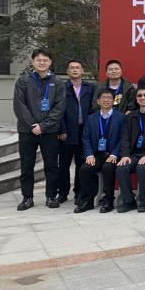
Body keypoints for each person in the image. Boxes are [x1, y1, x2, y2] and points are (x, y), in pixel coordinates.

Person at [14, 48, 66, 211]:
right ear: (33, 62)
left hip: (49, 131)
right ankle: (27, 198)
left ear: (50, 62)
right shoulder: (23, 81)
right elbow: (19, 106)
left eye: (45, 60)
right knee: (26, 166)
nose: (42, 63)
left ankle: (51, 196)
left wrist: (43, 126)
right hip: (27, 131)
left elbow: (59, 107)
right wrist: (33, 126)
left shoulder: (58, 82)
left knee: (51, 165)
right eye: (38, 60)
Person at [74, 89, 124, 213]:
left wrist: (115, 154)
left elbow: (123, 138)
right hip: (96, 155)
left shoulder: (121, 117)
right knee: (84, 169)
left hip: (113, 155)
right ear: (98, 101)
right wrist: (89, 155)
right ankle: (87, 201)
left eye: (109, 97)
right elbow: (86, 138)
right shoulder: (91, 118)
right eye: (103, 98)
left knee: (108, 168)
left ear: (114, 101)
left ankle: (108, 200)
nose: (106, 100)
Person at [57, 59, 94, 203]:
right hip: (67, 131)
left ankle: (79, 191)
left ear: (82, 71)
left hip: (84, 131)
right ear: (67, 71)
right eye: (72, 68)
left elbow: (93, 109)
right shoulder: (61, 87)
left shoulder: (90, 88)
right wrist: (62, 129)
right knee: (64, 164)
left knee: (81, 164)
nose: (75, 70)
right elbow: (58, 110)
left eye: (77, 68)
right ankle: (62, 192)